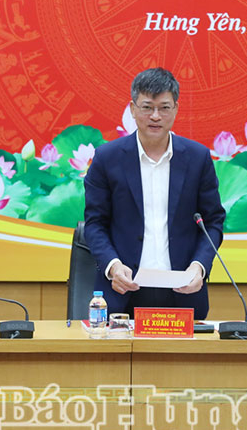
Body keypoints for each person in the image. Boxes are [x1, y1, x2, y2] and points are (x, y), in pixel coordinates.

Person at [83, 68, 226, 320]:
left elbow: (212, 222)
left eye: (164, 108)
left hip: (182, 291)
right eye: (147, 107)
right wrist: (113, 266)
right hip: (123, 290)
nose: (156, 116)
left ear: (176, 109)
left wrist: (199, 267)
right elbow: (95, 223)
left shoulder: (197, 158)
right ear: (132, 108)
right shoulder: (107, 158)